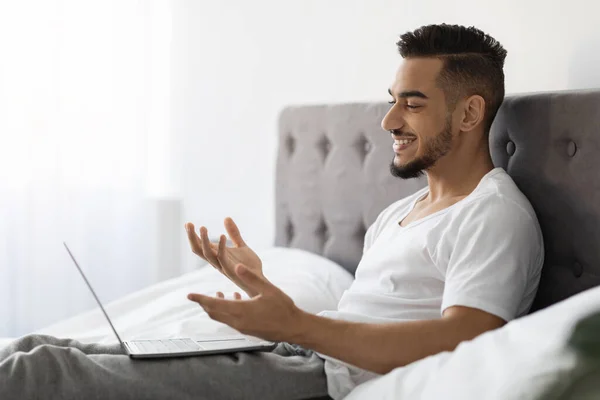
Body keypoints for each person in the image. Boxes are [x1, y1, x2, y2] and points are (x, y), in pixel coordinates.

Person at [0, 24, 543, 400]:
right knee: (40, 347)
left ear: (470, 112)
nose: (388, 121)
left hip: (318, 379)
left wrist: (298, 326)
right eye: (393, 99)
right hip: (297, 353)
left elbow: (464, 340)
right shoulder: (400, 213)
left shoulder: (493, 215)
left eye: (413, 103)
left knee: (44, 374)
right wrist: (265, 292)